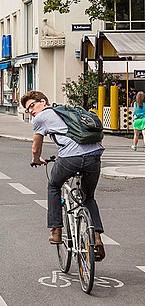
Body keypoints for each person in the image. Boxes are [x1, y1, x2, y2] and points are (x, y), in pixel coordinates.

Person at [21, 90, 106, 260]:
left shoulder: (41, 118)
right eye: (27, 109)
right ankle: (97, 238)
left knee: (53, 186)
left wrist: (36, 159)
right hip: (94, 156)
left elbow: (36, 147)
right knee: (88, 197)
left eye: (32, 105)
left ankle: (56, 231)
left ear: (43, 102)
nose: (30, 110)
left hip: (70, 158)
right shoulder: (66, 112)